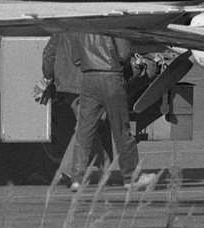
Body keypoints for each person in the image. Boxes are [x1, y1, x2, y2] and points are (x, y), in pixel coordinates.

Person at [64, 32, 157, 191]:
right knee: (121, 129)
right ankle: (130, 176)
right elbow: (123, 54)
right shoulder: (112, 21)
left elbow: (76, 58)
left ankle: (77, 178)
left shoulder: (80, 24)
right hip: (111, 76)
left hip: (88, 78)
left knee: (84, 130)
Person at [37, 33, 111, 190]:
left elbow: (49, 53)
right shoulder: (93, 29)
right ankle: (68, 170)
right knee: (86, 125)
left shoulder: (64, 27)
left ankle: (106, 165)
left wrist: (47, 78)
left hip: (66, 84)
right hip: (87, 82)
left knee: (89, 124)